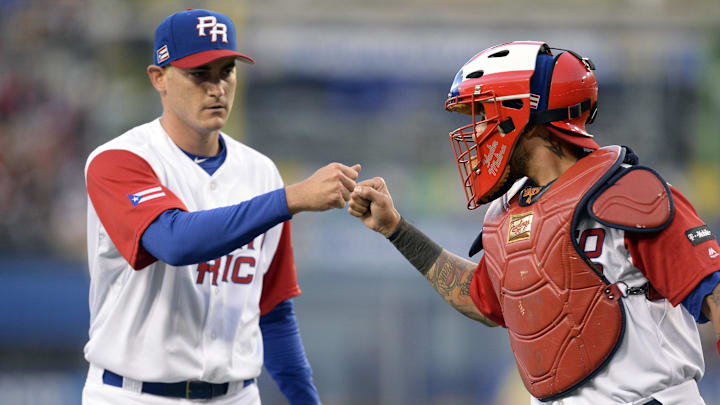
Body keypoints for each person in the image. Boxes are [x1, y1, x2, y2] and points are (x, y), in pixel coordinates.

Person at [348, 41, 720, 405]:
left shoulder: (631, 194)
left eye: (482, 114)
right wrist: (396, 229)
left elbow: (715, 294)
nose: (476, 133)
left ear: (521, 116)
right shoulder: (508, 215)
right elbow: (480, 301)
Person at [82, 8, 360, 405]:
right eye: (199, 74)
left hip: (237, 396)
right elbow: (174, 242)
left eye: (225, 71)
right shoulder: (119, 160)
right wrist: (292, 199)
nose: (217, 88)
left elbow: (274, 311)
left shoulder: (261, 172)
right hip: (132, 395)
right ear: (158, 78)